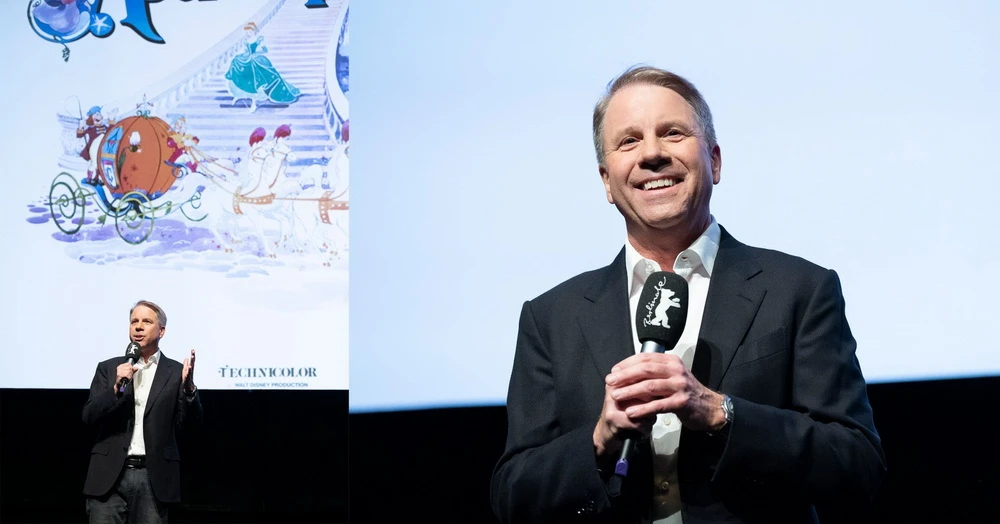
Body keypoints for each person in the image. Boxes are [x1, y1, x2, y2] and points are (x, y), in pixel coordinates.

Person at [490, 66, 886, 523]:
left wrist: (721, 414)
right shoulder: (551, 318)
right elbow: (512, 496)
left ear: (714, 161)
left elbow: (858, 466)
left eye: (673, 133)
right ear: (605, 180)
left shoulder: (798, 290)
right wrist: (599, 439)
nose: (652, 154)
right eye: (629, 141)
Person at [82, 300, 202, 523]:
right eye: (134, 321)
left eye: (146, 321)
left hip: (153, 478)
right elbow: (88, 416)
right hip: (108, 477)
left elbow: (189, 425)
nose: (138, 326)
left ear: (162, 331)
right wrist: (115, 389)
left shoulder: (175, 371)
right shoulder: (109, 368)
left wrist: (188, 390)